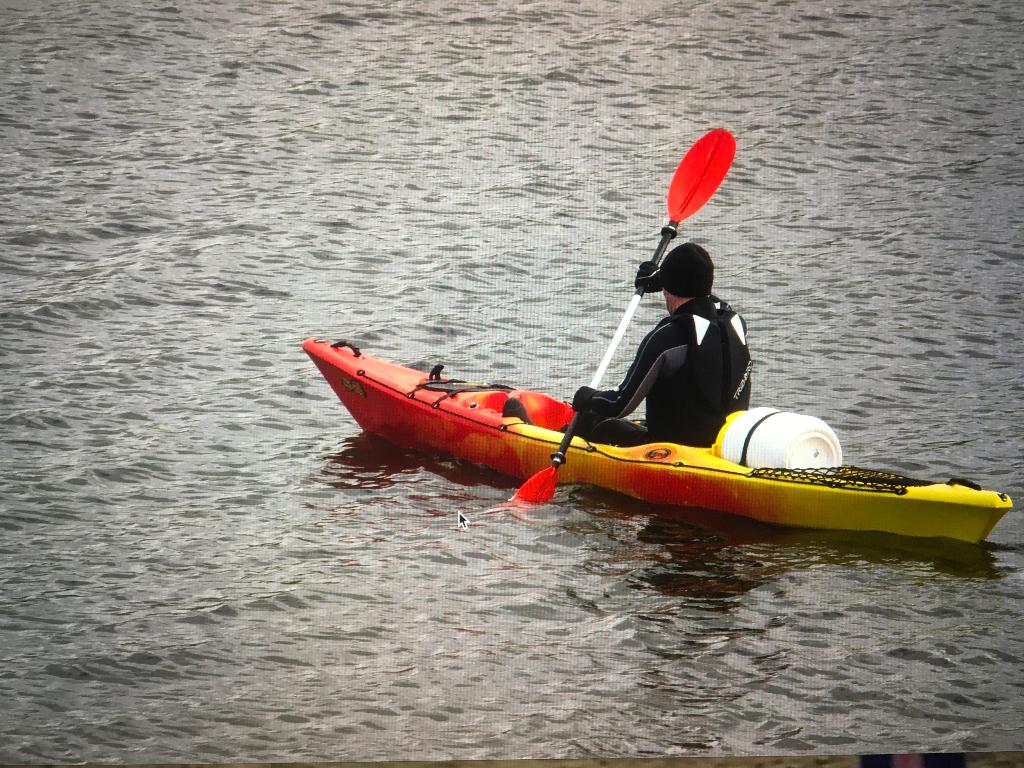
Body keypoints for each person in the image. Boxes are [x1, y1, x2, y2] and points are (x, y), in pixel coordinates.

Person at [527, 242, 752, 448]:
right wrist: (661, 278)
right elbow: (706, 296)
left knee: (590, 420)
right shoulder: (734, 323)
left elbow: (619, 405)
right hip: (725, 444)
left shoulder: (667, 337)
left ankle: (535, 439)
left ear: (668, 288)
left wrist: (587, 397)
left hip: (668, 450)